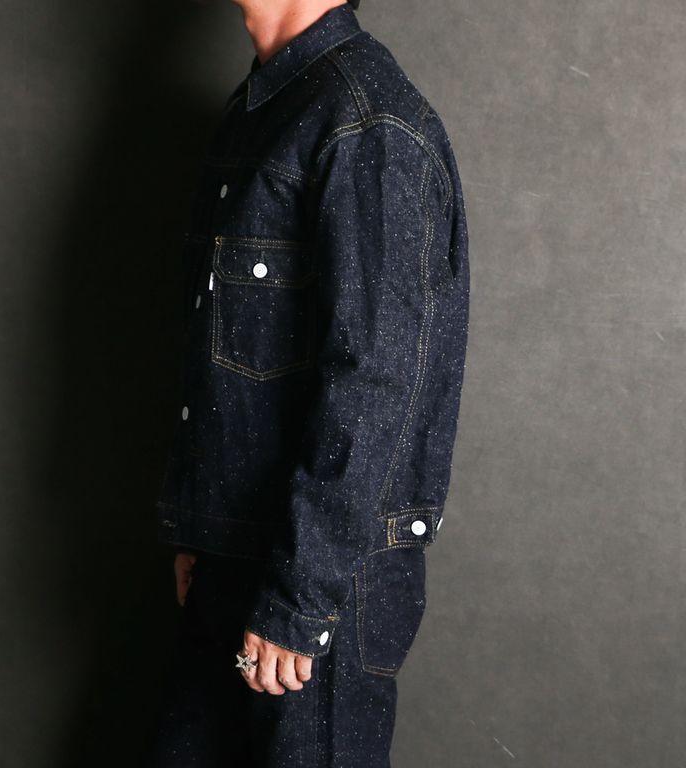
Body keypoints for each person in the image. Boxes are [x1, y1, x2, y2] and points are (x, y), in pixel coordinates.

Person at [152, 0, 470, 765]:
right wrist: (202, 528)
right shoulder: (263, 105)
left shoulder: (365, 121)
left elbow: (377, 380)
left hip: (318, 582)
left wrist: (300, 598)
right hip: (234, 555)